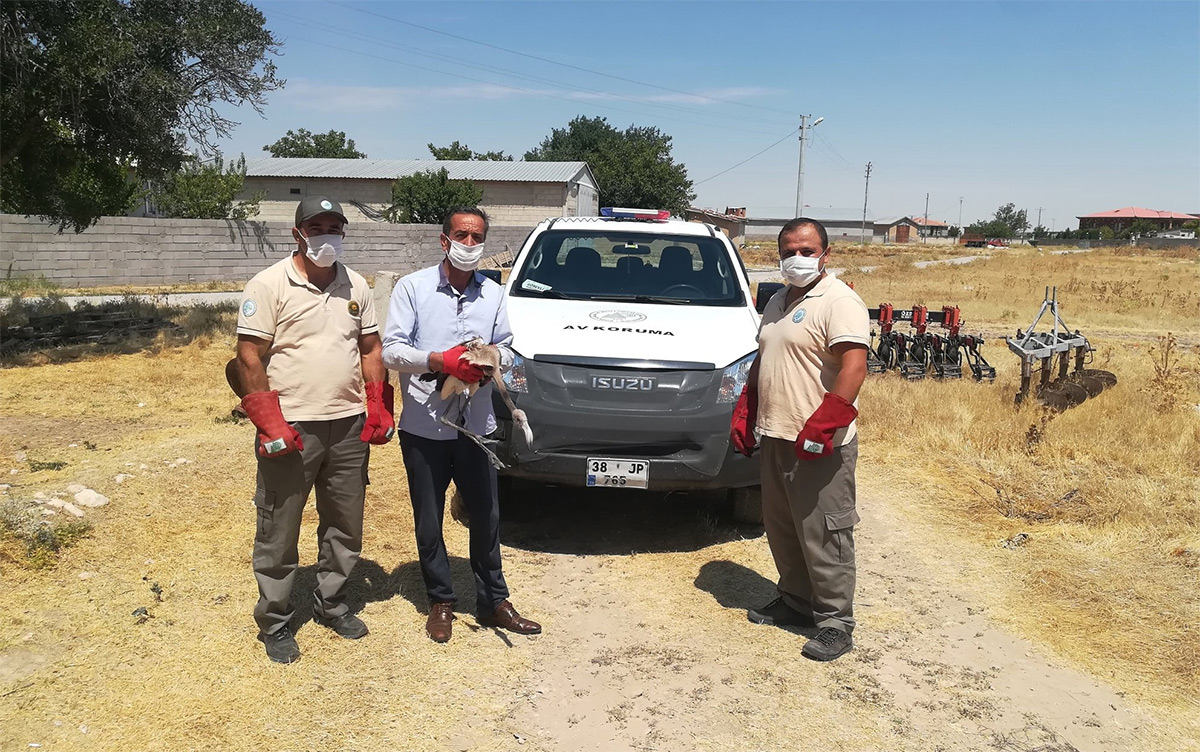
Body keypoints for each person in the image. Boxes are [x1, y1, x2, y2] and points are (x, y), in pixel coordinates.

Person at [230, 196, 395, 664]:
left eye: (335, 227)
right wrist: (268, 420)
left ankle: (333, 602)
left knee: (345, 521)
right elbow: (248, 357)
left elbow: (370, 348)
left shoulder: (355, 284)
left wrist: (379, 405)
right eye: (317, 226)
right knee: (279, 526)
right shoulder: (267, 285)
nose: (327, 235)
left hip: (347, 424)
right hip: (292, 424)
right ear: (297, 232)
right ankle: (276, 620)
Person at [382, 206, 541, 644]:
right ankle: (441, 600)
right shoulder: (411, 289)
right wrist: (438, 360)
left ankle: (494, 601)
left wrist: (489, 360)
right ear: (444, 240)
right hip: (424, 426)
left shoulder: (494, 294)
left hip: (478, 425)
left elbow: (510, 349)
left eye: (476, 238)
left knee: (486, 516)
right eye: (461, 235)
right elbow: (391, 351)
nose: (469, 245)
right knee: (430, 519)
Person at [730, 217, 869, 662]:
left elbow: (854, 367)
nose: (798, 258)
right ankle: (794, 600)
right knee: (784, 525)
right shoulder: (776, 301)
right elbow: (764, 355)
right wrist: (747, 405)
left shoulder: (839, 301)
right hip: (777, 434)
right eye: (790, 250)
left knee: (825, 531)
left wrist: (827, 422)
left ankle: (834, 621)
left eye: (808, 251)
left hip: (818, 442)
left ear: (826, 254)